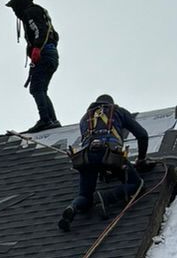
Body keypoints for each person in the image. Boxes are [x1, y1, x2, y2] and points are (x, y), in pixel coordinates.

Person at [58, 95, 151, 232]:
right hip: (110, 155)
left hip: (86, 158)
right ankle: (106, 197)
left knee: (85, 196)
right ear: (111, 103)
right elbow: (142, 135)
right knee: (137, 185)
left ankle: (72, 208)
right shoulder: (118, 111)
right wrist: (141, 159)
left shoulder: (85, 118)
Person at [6, 0, 61, 129]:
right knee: (41, 88)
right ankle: (52, 120)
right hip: (50, 53)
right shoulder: (39, 12)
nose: (14, 12)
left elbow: (40, 30)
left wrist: (37, 48)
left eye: (14, 8)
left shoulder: (31, 12)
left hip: (44, 53)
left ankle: (46, 120)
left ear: (20, 5)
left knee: (36, 88)